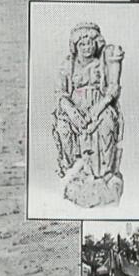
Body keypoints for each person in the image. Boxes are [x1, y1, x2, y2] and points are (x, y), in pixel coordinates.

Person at [52, 23, 125, 203]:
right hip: (75, 108)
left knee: (107, 122)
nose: (86, 48)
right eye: (82, 44)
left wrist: (97, 109)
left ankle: (104, 174)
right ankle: (76, 168)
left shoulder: (102, 61)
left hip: (99, 106)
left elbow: (112, 90)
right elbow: (60, 94)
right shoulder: (68, 64)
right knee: (63, 129)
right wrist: (73, 113)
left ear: (96, 44)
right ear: (75, 46)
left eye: (90, 43)